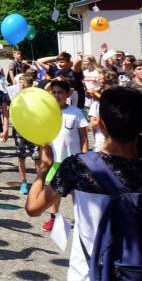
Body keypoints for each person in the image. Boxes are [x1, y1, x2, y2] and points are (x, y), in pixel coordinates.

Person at [26, 86, 142, 280]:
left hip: (87, 273)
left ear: (101, 124)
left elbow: (33, 208)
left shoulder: (78, 167)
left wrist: (43, 170)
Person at [41, 78, 90, 232]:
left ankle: (81, 219)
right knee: (54, 192)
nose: (57, 95)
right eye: (54, 92)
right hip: (56, 161)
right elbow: (44, 138)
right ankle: (54, 219)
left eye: (60, 92)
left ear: (68, 94)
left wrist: (85, 157)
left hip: (74, 161)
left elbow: (83, 137)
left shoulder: (76, 112)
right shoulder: (48, 112)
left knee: (77, 192)